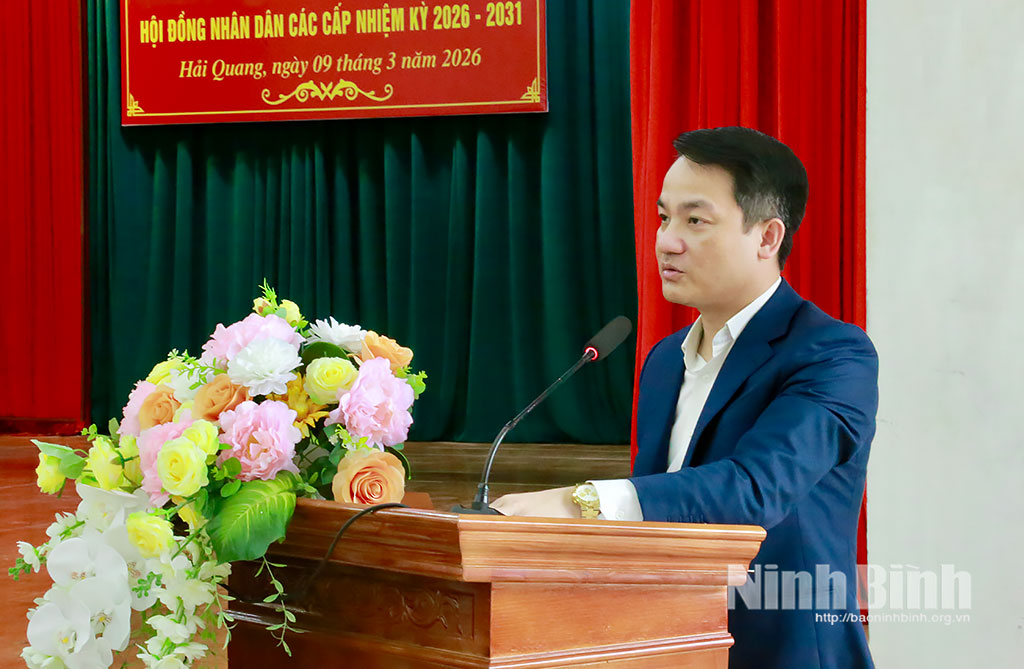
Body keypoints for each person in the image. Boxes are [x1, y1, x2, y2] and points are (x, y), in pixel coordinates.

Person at [491, 127, 877, 669]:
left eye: (695, 221)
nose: (667, 241)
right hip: (668, 647)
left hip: (783, 653)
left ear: (767, 237)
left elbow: (754, 489)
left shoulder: (832, 354)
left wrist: (579, 503)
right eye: (663, 217)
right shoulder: (664, 360)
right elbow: (656, 520)